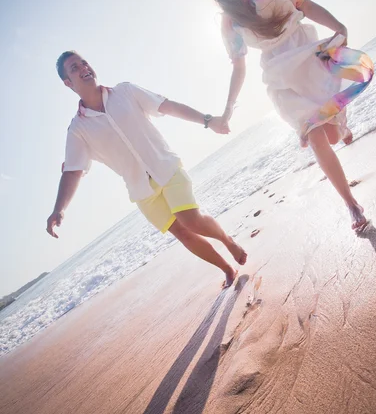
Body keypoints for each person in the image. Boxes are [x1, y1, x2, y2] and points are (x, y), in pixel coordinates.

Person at [197, 0, 374, 232]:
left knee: (330, 133)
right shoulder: (228, 20)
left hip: (307, 53)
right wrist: (227, 111)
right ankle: (351, 204)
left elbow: (303, 4)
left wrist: (338, 26)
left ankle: (341, 128)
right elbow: (238, 67)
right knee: (317, 135)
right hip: (280, 76)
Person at [46, 51, 247, 286]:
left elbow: (167, 106)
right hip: (141, 191)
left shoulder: (125, 91)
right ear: (68, 83)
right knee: (182, 233)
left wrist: (207, 120)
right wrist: (59, 209)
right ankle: (226, 269)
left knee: (190, 219)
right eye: (74, 68)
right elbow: (73, 170)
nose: (83, 68)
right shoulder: (77, 129)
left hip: (166, 167)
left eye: (84, 62)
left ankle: (227, 240)